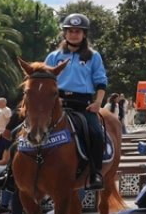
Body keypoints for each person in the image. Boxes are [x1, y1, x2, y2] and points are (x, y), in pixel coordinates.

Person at [45, 13, 109, 190]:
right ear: (64, 33)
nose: (74, 34)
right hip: (56, 102)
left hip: (83, 104)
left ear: (84, 34)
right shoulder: (53, 56)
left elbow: (101, 80)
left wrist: (98, 103)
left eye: (78, 31)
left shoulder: (93, 56)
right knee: (21, 127)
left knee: (96, 133)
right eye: (70, 31)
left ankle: (95, 173)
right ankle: (10, 174)